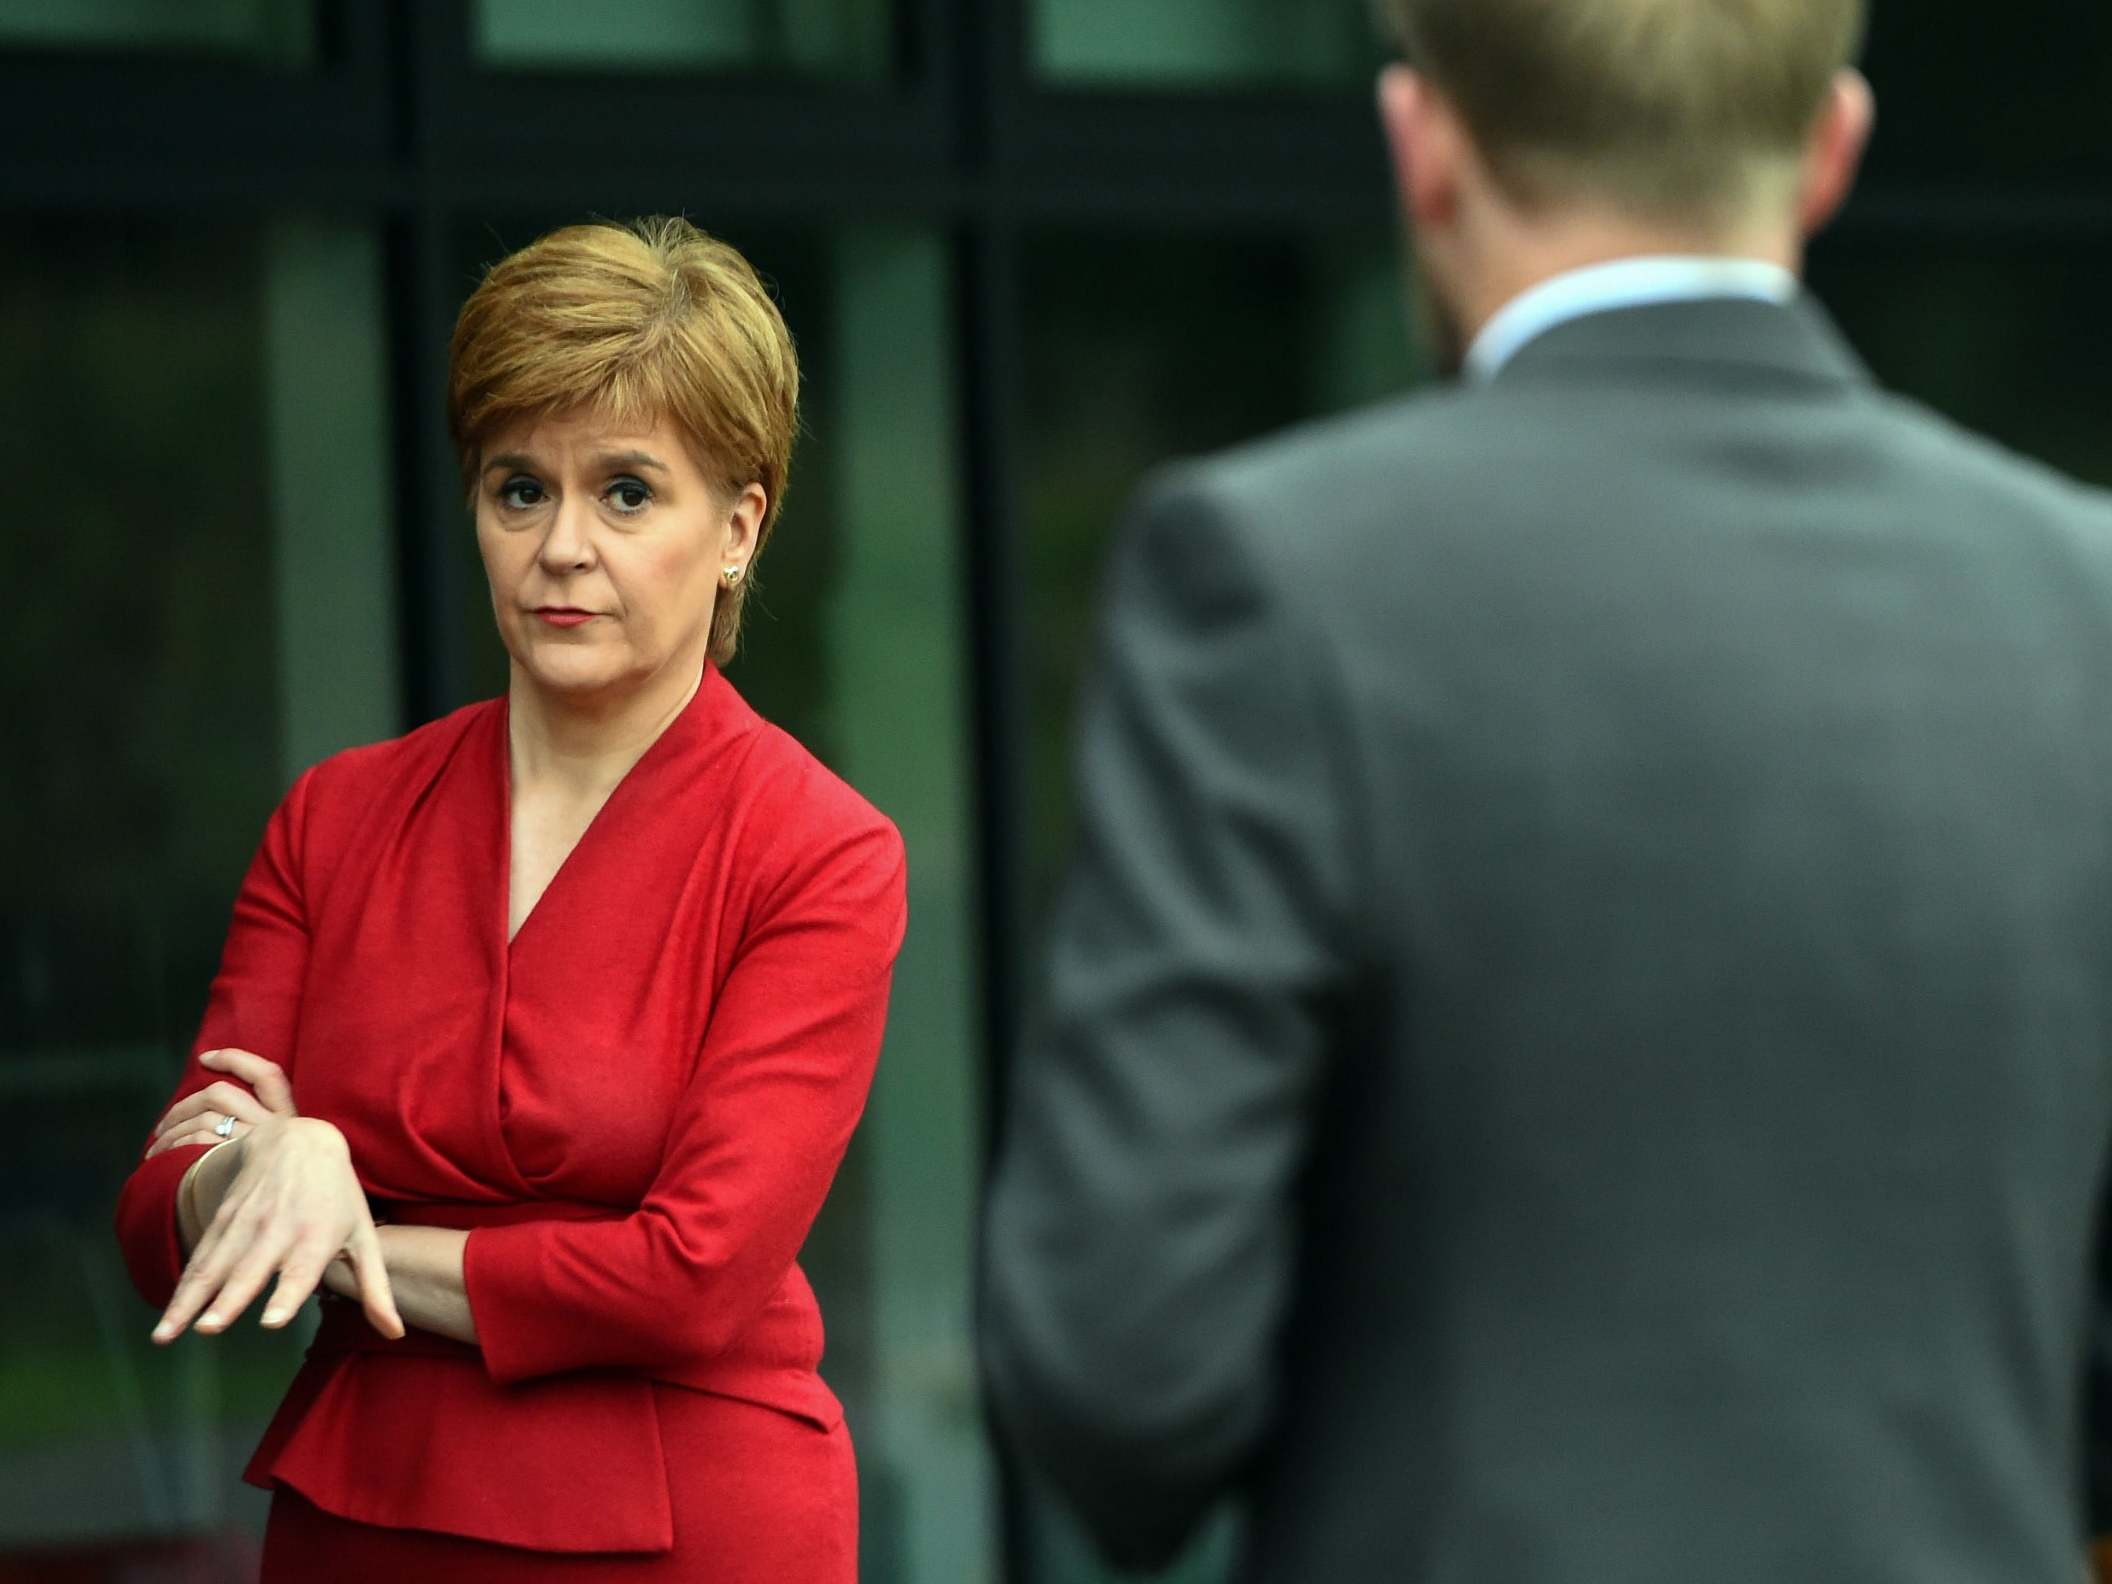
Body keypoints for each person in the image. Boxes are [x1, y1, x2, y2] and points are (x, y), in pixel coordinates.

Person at [979, 2, 2112, 1580]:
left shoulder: (1283, 579)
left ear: (1423, 145)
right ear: (1834, 146)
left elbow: (1119, 1368)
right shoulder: (2081, 598)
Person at [114, 216, 903, 1582]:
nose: (563, 546)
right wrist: (267, 1165)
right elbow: (161, 1207)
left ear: (739, 525)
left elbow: (689, 1279)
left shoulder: (816, 850)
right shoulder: (338, 817)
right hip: (361, 1515)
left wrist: (345, 1228)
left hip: (690, 1530)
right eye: (519, 488)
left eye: (629, 493)